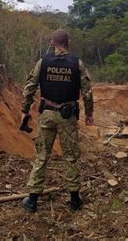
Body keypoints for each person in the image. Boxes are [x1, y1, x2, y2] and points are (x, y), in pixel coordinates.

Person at [20, 29, 94, 213]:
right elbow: (87, 91)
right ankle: (75, 199)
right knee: (70, 157)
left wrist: (24, 110)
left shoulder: (42, 62)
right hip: (67, 116)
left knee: (42, 155)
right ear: (68, 43)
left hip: (47, 114)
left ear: (53, 43)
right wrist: (89, 113)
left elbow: (30, 87)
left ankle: (33, 200)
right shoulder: (77, 64)